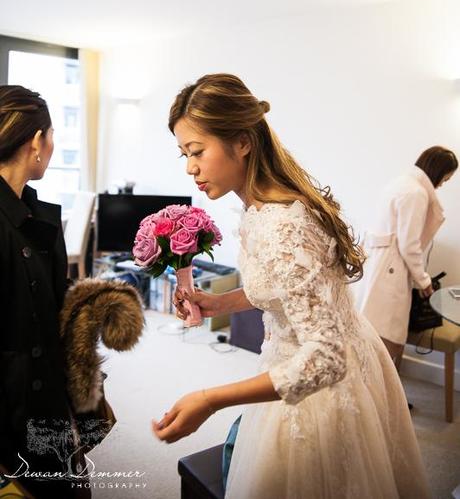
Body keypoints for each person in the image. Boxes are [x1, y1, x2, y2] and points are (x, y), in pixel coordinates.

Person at [152, 73, 431, 499]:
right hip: (343, 355)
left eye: (197, 151)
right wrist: (217, 302)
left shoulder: (284, 225)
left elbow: (325, 358)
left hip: (320, 388)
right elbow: (286, 290)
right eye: (183, 155)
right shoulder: (262, 206)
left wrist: (210, 399)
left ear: (242, 141)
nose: (191, 167)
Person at [0, 85, 89, 498]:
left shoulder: (36, 215)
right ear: (37, 141)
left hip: (45, 399)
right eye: (52, 135)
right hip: (14, 412)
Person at [361, 146, 457, 369]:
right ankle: (380, 400)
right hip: (391, 270)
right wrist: (423, 280)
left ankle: (379, 397)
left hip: (380, 265)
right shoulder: (416, 193)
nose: (443, 183)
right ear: (438, 171)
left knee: (373, 338)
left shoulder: (401, 183)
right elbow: (409, 244)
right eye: (446, 178)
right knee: (385, 342)